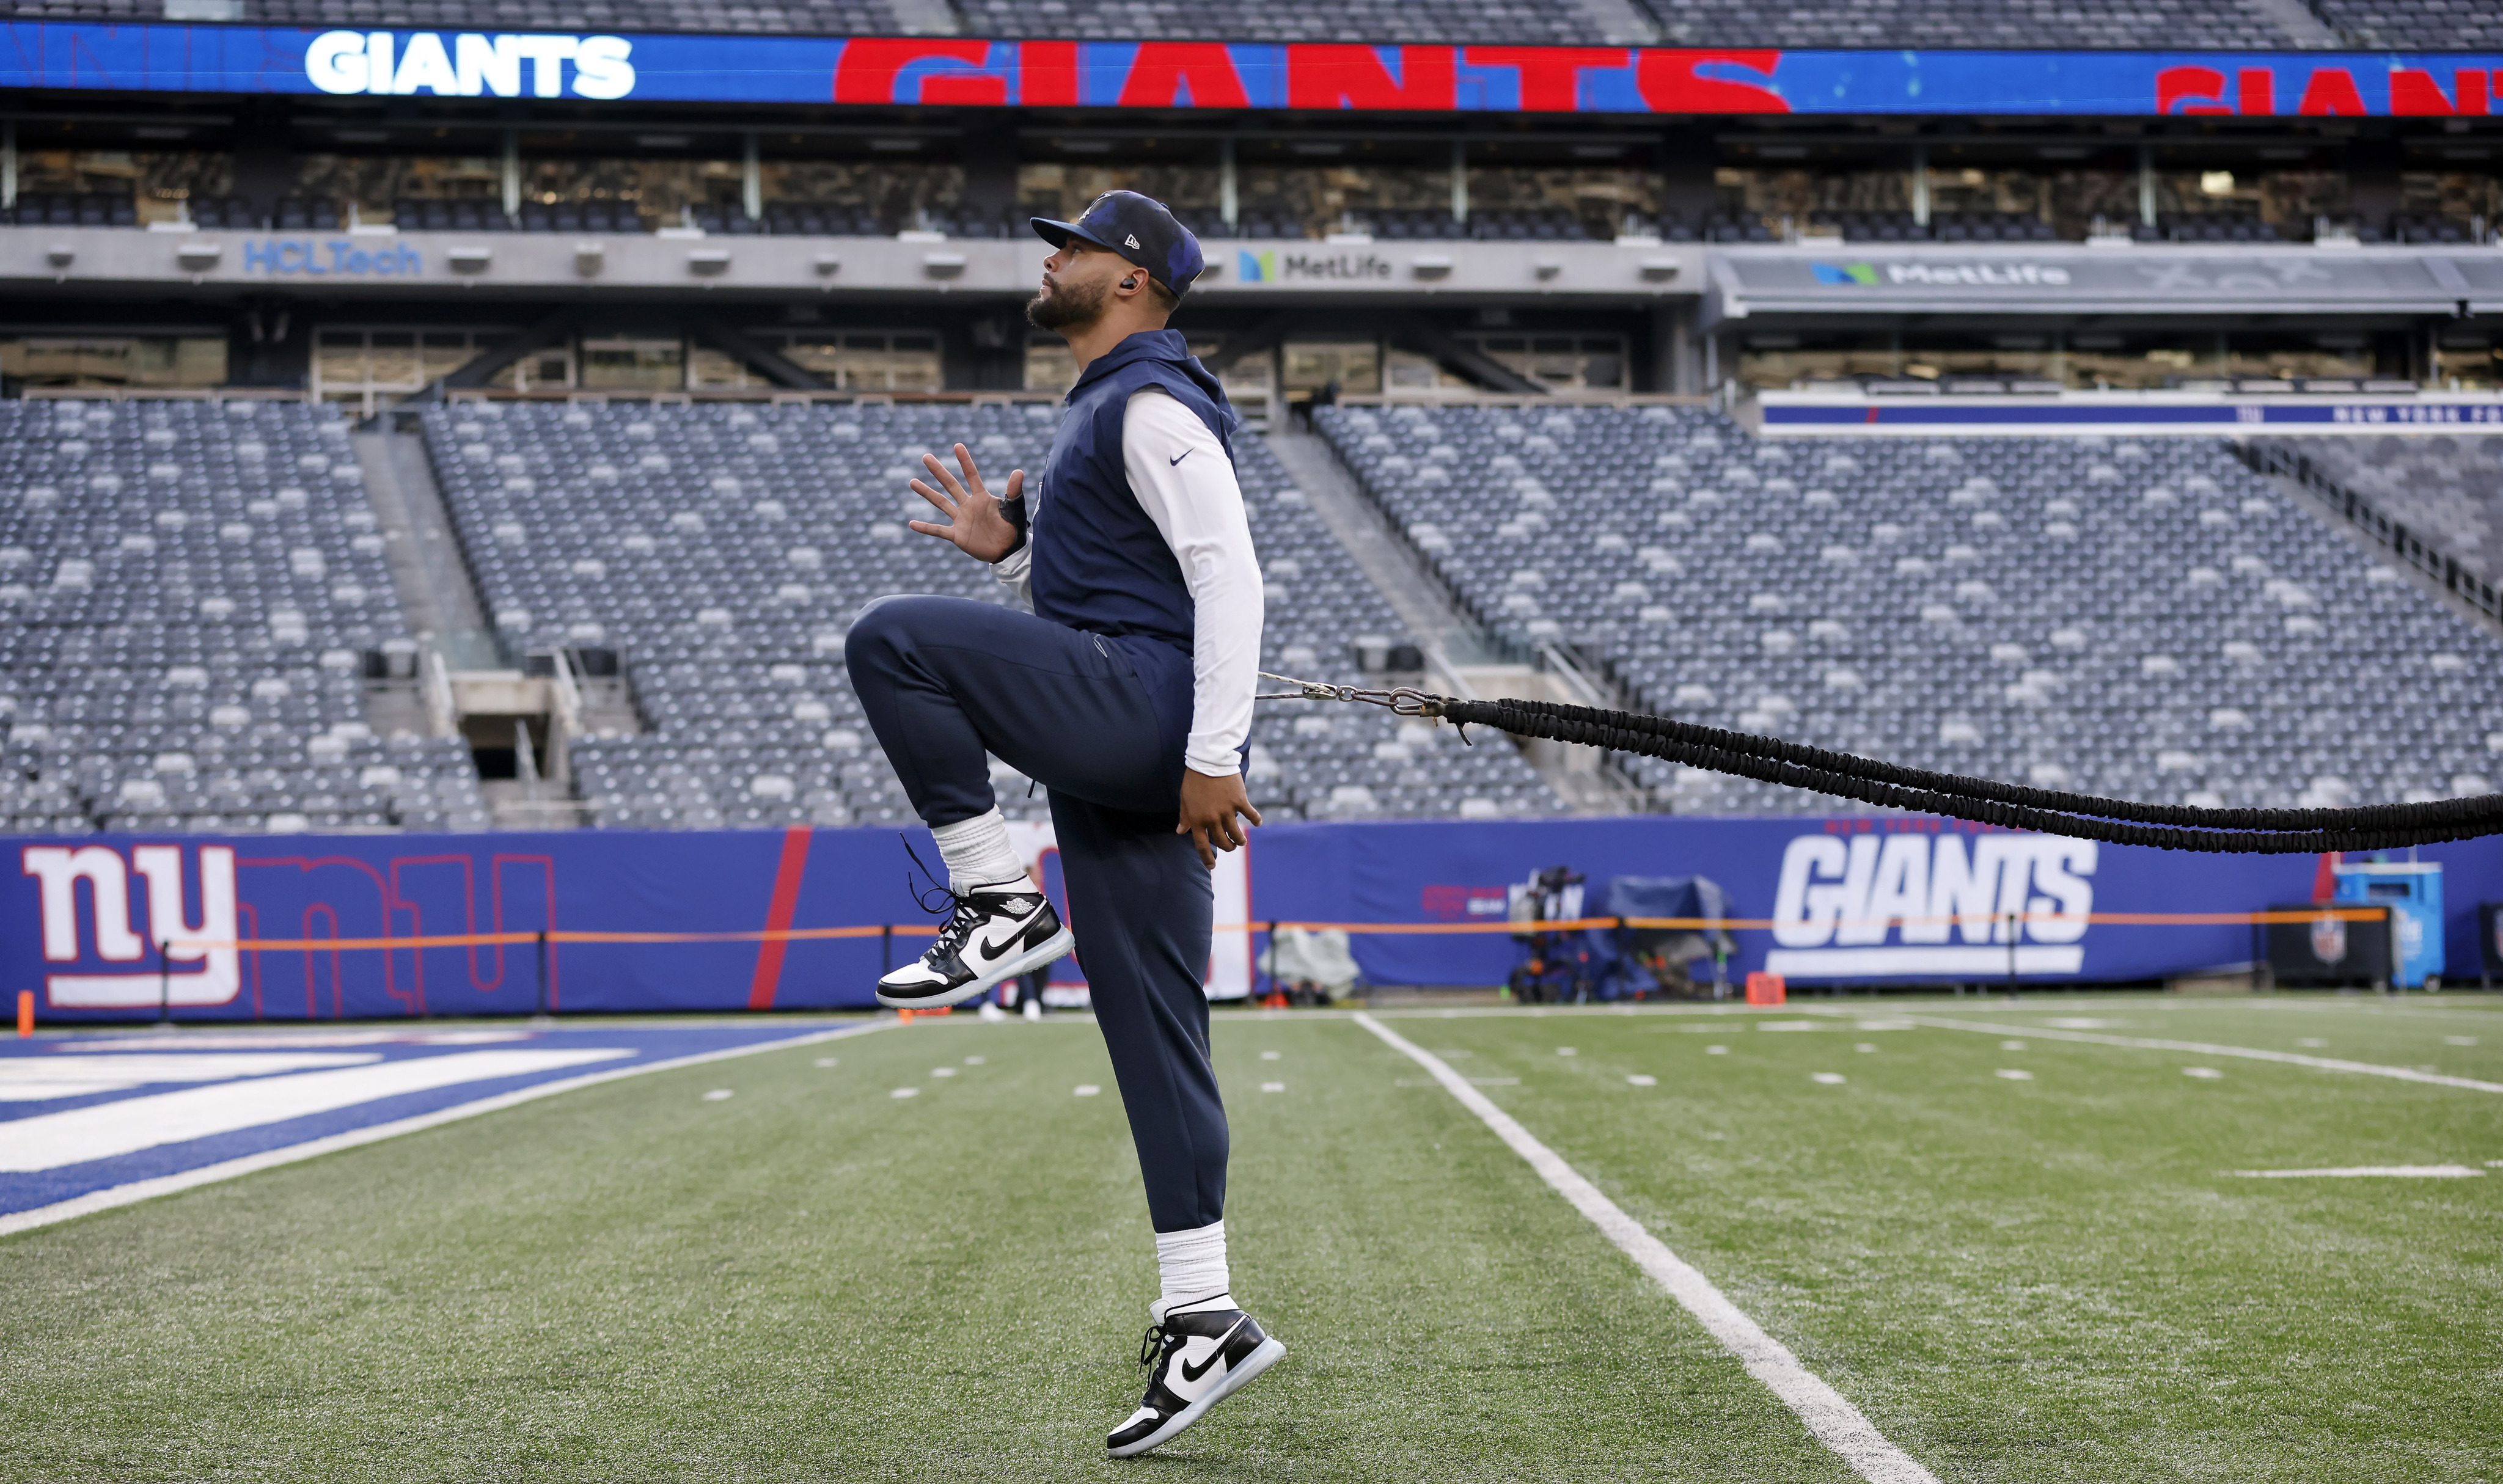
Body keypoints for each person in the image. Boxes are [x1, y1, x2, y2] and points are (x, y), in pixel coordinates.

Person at [843, 190, 1284, 1460]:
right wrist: (1007, 562)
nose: (1052, 260)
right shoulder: (1105, 402)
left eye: (1075, 246)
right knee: (1155, 1038)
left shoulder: (1147, 401)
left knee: (891, 638)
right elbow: (1121, 595)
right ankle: (1203, 1315)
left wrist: (1210, 757)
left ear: (1134, 281)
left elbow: (1227, 575)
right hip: (1137, 721)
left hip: (1152, 725)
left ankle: (996, 894)